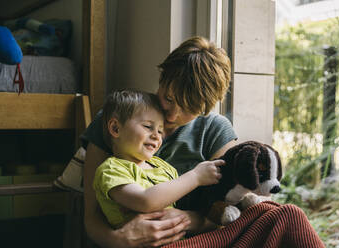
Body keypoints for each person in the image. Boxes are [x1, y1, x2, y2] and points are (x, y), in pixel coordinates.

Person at [82, 36, 325, 248]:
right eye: (168, 98)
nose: (171, 115)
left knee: (287, 215)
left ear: (206, 109)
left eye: (188, 108)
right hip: (132, 242)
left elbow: (234, 208)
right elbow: (91, 217)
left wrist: (189, 219)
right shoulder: (121, 120)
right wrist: (122, 240)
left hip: (203, 237)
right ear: (162, 78)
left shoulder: (214, 130)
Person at [93, 89, 224, 229]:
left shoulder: (163, 167)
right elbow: (145, 201)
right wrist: (196, 176)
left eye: (160, 131)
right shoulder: (111, 170)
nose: (157, 136)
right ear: (115, 128)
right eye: (148, 127)